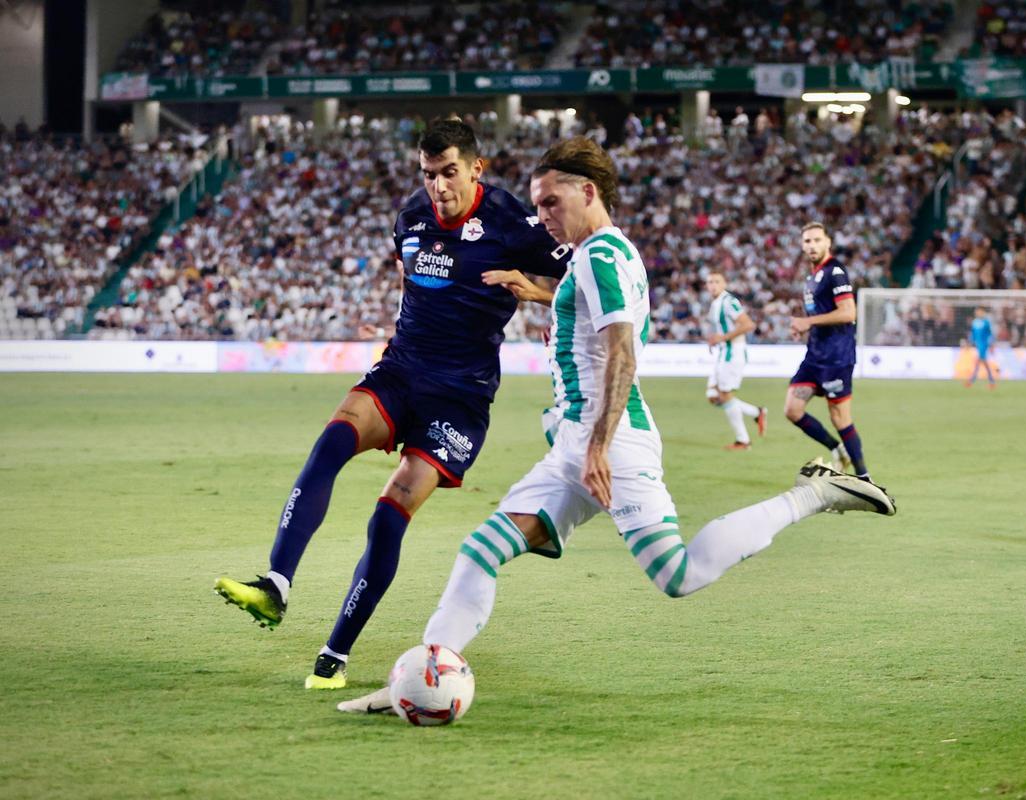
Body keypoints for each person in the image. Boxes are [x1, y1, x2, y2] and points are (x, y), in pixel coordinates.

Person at [337, 137, 896, 715]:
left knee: (679, 573)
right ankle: (420, 682)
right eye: (537, 205)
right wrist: (537, 294)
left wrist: (599, 447)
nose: (542, 217)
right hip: (577, 445)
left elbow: (622, 352)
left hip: (612, 442)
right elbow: (586, 316)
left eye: (551, 203)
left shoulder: (602, 257)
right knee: (480, 550)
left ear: (588, 191)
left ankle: (818, 492)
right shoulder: (598, 255)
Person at [213, 118, 569, 688]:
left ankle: (335, 654)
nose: (438, 187)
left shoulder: (514, 224)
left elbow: (591, 280)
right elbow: (412, 279)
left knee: (387, 518)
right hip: (401, 371)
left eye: (449, 172)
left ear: (476, 168)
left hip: (461, 398)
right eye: (428, 174)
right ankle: (275, 585)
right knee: (331, 442)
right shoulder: (409, 216)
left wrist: (542, 293)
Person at [785, 222, 871, 481]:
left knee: (840, 417)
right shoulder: (812, 276)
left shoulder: (835, 272)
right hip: (814, 356)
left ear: (828, 242)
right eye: (807, 241)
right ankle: (837, 449)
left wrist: (807, 322)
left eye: (816, 240)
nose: (812, 245)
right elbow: (821, 314)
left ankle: (865, 478)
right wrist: (804, 328)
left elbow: (848, 313)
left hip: (837, 357)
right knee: (792, 409)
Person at [703, 271, 766, 450]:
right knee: (713, 396)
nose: (713, 285)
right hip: (724, 353)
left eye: (716, 281)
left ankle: (743, 441)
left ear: (724, 284)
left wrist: (722, 338)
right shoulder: (716, 303)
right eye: (709, 282)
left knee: (724, 395)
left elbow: (747, 324)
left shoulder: (728, 301)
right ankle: (757, 412)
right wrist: (715, 340)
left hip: (733, 353)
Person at [965, 306, 997, 389]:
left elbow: (990, 334)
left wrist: (991, 344)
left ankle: (972, 380)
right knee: (983, 362)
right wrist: (970, 342)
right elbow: (973, 334)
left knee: (980, 361)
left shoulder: (986, 322)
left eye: (979, 311)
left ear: (983, 312)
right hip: (977, 344)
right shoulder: (975, 322)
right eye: (977, 311)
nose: (978, 313)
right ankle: (991, 380)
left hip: (984, 344)